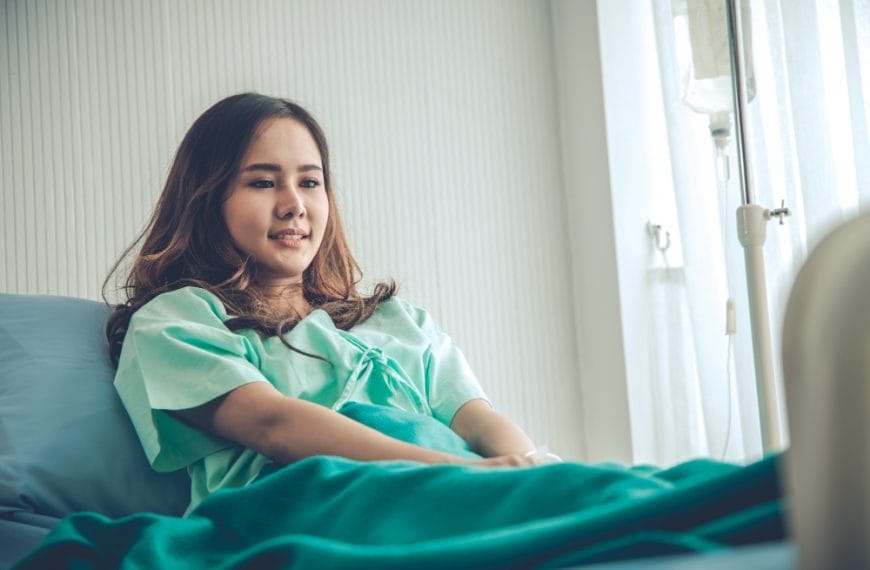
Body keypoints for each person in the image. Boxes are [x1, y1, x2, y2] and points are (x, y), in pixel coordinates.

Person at [104, 92, 558, 515]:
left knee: (611, 494)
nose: (294, 204)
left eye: (310, 182)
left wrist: (527, 468)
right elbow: (274, 426)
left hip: (457, 490)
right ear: (205, 199)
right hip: (316, 507)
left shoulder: (397, 321)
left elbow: (477, 418)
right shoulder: (177, 320)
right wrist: (451, 474)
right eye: (263, 182)